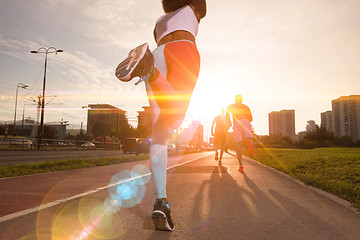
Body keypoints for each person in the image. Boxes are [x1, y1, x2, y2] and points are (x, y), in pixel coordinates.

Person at [115, 0, 206, 231]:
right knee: (173, 120)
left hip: (158, 52)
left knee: (159, 133)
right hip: (183, 50)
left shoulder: (160, 22)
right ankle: (151, 73)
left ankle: (161, 202)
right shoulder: (194, 9)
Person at [226, 95, 254, 172]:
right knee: (248, 138)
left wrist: (229, 124)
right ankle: (248, 141)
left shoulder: (230, 106)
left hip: (237, 122)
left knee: (238, 145)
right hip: (246, 122)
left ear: (235, 100)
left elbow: (227, 116)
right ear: (242, 100)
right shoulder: (246, 107)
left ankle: (241, 165)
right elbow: (251, 119)